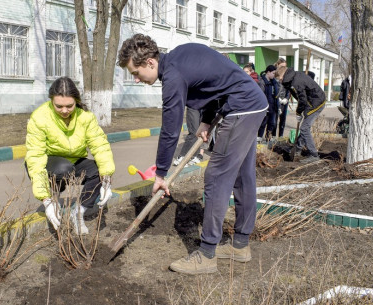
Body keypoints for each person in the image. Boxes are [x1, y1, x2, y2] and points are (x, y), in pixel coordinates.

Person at [118, 34, 267, 274]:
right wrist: (207, 120)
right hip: (251, 102)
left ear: (149, 63)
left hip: (242, 108)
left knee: (216, 177)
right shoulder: (180, 56)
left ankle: (207, 254)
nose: (136, 79)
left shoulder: (173, 77)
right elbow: (215, 82)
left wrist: (161, 174)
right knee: (242, 175)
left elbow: (170, 129)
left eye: (135, 73)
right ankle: (239, 246)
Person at [25, 77, 115, 235]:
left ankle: (78, 212)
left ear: (77, 101)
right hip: (50, 162)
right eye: (59, 106)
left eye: (69, 106)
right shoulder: (40, 117)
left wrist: (106, 179)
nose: (64, 110)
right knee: (62, 168)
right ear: (51, 101)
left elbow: (100, 145)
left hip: (74, 161)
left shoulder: (85, 117)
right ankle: (53, 200)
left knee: (97, 171)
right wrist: (45, 200)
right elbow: (35, 157)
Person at [275, 66, 326, 163]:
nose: (280, 82)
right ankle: (297, 149)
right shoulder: (292, 77)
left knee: (304, 128)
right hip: (312, 101)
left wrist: (299, 112)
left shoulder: (296, 82)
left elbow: (302, 99)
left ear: (282, 76)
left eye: (279, 79)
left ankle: (314, 155)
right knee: (304, 127)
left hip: (316, 103)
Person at [257, 65, 281, 143]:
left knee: (272, 124)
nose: (274, 75)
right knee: (263, 124)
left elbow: (276, 95)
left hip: (273, 107)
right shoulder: (262, 82)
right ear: (268, 72)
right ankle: (259, 139)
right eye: (273, 73)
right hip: (265, 107)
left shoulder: (273, 83)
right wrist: (264, 107)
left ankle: (268, 139)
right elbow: (261, 96)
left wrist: (278, 106)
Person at [274, 58, 290, 138]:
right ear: (278, 65)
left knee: (283, 120)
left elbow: (289, 89)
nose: (284, 68)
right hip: (277, 100)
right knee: (274, 120)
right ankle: (272, 136)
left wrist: (287, 98)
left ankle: (281, 136)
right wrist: (277, 98)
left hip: (284, 101)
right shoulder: (275, 75)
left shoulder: (287, 77)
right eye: (282, 66)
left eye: (285, 66)